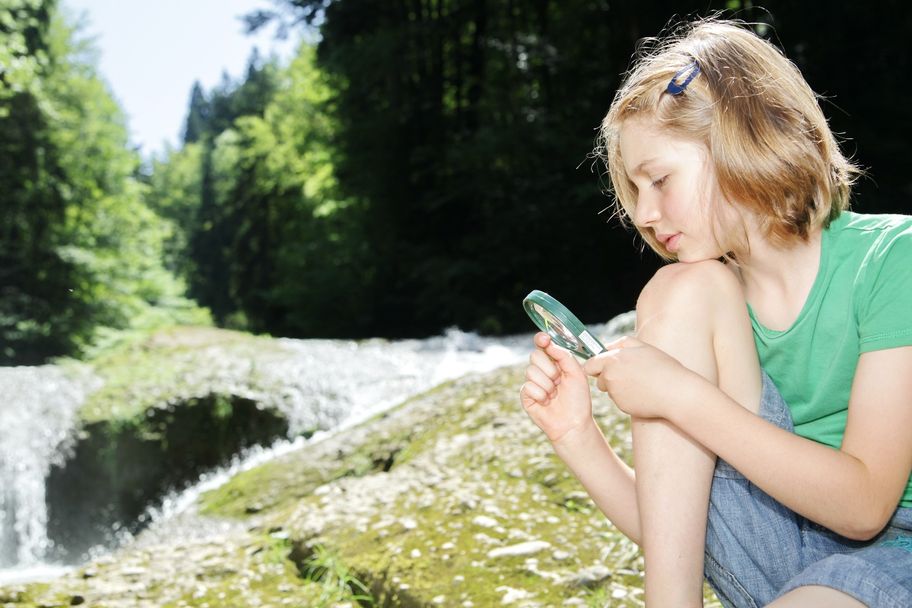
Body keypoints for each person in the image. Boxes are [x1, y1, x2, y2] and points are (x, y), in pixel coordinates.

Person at [519, 17, 912, 608]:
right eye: (633, 191)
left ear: (741, 142)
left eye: (659, 180)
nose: (645, 214)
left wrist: (678, 394)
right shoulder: (703, 303)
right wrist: (578, 437)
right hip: (782, 558)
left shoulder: (892, 258)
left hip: (895, 554)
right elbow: (682, 535)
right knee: (679, 290)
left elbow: (864, 509)